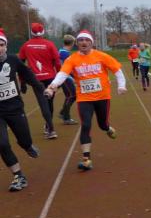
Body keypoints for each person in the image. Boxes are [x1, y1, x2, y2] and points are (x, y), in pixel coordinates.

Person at [44, 30, 126, 171]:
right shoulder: (72, 59)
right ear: (77, 43)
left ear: (91, 43)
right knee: (86, 125)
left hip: (102, 97)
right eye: (81, 40)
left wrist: (121, 85)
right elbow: (62, 74)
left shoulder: (101, 56)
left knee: (102, 124)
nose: (84, 42)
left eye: (87, 40)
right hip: (84, 98)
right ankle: (86, 159)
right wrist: (53, 86)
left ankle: (107, 128)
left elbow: (117, 70)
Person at [0, 29, 41, 192]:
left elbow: (27, 73)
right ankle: (18, 175)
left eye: (1, 44)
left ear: (6, 46)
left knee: (24, 140)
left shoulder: (13, 60)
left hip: (15, 108)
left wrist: (39, 87)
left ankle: (28, 146)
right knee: (2, 144)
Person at [18, 22, 59, 139]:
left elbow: (20, 65)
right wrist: (59, 78)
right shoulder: (50, 44)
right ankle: (49, 127)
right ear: (43, 32)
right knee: (49, 102)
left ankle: (50, 129)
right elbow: (57, 62)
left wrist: (22, 82)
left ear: (31, 33)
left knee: (43, 103)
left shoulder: (26, 45)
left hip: (36, 79)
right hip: (50, 78)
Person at [57, 34, 78, 125]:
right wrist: (75, 77)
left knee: (70, 95)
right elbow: (68, 68)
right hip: (65, 77)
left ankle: (63, 113)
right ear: (72, 43)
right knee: (72, 95)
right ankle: (66, 117)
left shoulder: (62, 51)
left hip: (64, 77)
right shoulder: (65, 54)